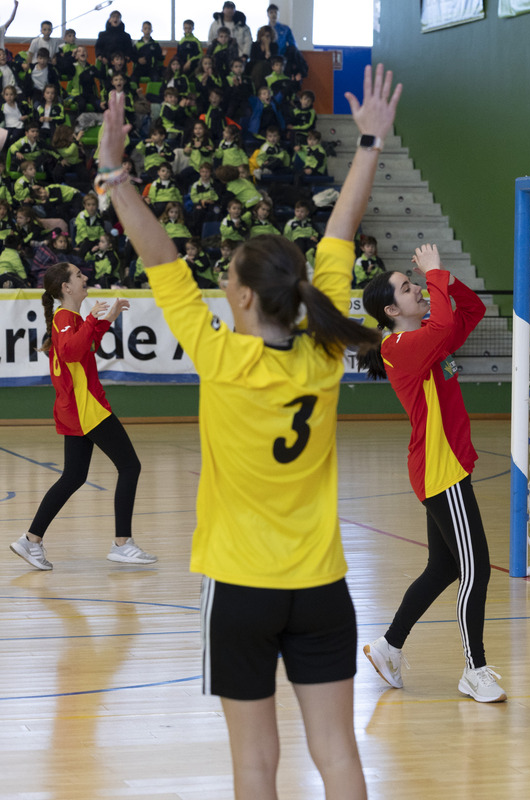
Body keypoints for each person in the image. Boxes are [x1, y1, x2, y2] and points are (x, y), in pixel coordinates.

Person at [93, 63, 401, 799]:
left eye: (226, 274)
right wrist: (368, 144)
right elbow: (341, 225)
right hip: (323, 585)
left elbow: (159, 256)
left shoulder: (219, 356)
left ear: (236, 292)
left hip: (242, 588)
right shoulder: (325, 352)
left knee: (255, 765)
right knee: (338, 754)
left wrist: (115, 174)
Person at [357, 243, 507, 703]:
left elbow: (472, 308)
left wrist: (445, 280)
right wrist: (436, 273)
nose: (417, 288)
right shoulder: (401, 346)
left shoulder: (427, 338)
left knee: (443, 567)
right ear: (390, 309)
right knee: (476, 570)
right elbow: (443, 321)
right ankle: (474, 669)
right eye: (408, 287)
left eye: (415, 281)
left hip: (445, 467)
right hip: (441, 471)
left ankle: (387, 646)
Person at [9, 262, 155, 571]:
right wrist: (92, 318)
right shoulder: (65, 319)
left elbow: (87, 346)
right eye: (78, 275)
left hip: (77, 408)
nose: (84, 278)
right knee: (130, 466)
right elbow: (73, 351)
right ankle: (122, 543)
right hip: (86, 408)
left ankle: (30, 540)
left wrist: (109, 317)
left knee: (74, 476)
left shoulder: (69, 319)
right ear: (66, 287)